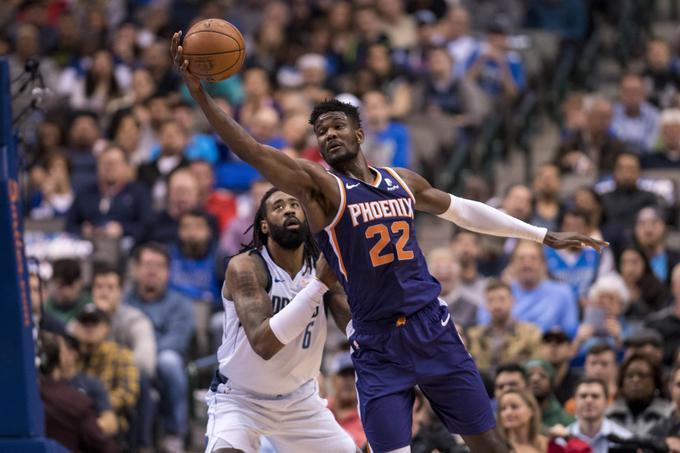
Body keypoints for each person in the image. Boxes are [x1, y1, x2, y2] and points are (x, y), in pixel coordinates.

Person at [173, 34, 605, 453]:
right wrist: (201, 97)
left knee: (489, 443)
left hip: (431, 327)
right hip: (378, 345)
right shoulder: (324, 189)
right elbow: (252, 150)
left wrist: (541, 234)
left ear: (359, 134)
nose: (328, 135)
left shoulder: (402, 181)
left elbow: (464, 211)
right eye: (321, 132)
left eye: (337, 126)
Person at [206, 188, 356, 453]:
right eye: (278, 207)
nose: (288, 209)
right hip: (242, 399)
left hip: (300, 401)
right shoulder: (245, 268)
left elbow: (355, 329)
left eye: (295, 204)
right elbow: (264, 344)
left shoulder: (320, 267)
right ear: (263, 226)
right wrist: (319, 285)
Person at [123, 243, 194, 452]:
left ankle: (174, 433)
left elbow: (178, 341)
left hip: (164, 363)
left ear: (168, 272)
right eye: (146, 264)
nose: (152, 270)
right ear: (135, 270)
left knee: (168, 362)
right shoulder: (124, 301)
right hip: (131, 362)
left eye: (159, 265)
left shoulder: (181, 304)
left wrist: (147, 355)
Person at [37, 331, 118, 453]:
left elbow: (111, 423)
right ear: (60, 358)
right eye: (64, 350)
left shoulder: (18, 398)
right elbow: (104, 447)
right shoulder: (77, 403)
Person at [70, 305, 140, 436]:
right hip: (74, 418)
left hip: (111, 421)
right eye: (84, 323)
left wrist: (98, 405)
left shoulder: (121, 354)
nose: (89, 328)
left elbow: (128, 393)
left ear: (106, 327)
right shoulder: (69, 356)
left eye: (94, 323)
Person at [467, 279, 542, 377]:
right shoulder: (474, 335)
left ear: (512, 301)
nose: (496, 305)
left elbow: (536, 364)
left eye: (501, 299)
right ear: (485, 305)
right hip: (483, 386)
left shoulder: (530, 332)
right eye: (491, 300)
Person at [606, 354, 672, 437]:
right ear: (622, 382)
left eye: (642, 376)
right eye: (630, 376)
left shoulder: (669, 415)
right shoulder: (609, 415)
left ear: (655, 382)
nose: (635, 380)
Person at [567, 378, 632, 453]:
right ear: (574, 401)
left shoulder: (624, 439)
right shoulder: (561, 441)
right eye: (583, 396)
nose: (588, 401)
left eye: (595, 396)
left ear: (607, 402)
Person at [564, 344, 619, 415]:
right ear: (585, 366)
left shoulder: (624, 399)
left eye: (604, 364)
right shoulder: (572, 405)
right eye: (593, 363)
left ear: (615, 367)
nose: (598, 369)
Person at [328, 351, 367, 449]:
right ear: (333, 380)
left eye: (354, 375)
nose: (349, 380)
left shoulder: (368, 417)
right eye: (344, 374)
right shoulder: (320, 408)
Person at [525, 359, 575, 428]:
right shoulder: (513, 416)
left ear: (552, 384)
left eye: (543, 375)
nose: (535, 379)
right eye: (529, 375)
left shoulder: (565, 421)